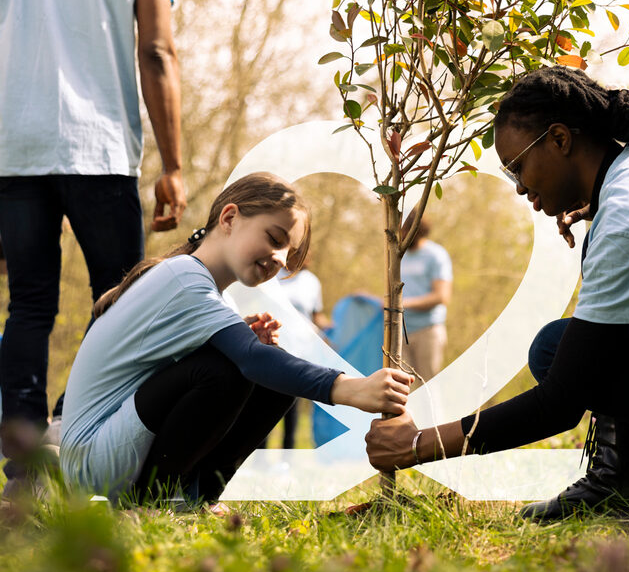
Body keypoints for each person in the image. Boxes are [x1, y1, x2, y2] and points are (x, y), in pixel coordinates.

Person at [365, 66, 629, 520]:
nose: (519, 188)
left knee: (557, 351)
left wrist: (417, 445)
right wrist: (602, 213)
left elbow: (560, 402)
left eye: (518, 167)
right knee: (593, 340)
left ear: (559, 139)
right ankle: (620, 478)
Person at [59, 173, 412, 503]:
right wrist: (350, 388)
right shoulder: (185, 277)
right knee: (232, 368)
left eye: (288, 255)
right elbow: (249, 359)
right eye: (275, 239)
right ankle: (152, 500)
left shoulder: (208, 291)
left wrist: (239, 342)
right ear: (229, 218)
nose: (279, 259)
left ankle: (197, 496)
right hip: (92, 464)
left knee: (271, 378)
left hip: (114, 452)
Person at [0, 0, 186, 485]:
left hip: (13, 148)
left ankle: (26, 464)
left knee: (29, 306)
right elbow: (156, 51)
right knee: (119, 302)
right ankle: (70, 431)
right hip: (98, 148)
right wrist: (173, 163)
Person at [274, 264, 331, 448]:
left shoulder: (312, 281)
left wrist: (333, 331)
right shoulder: (273, 275)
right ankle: (260, 459)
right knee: (265, 400)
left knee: (292, 405)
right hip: (274, 345)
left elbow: (316, 316)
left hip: (301, 349)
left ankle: (287, 455)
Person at [400, 213, 453, 384]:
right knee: (400, 389)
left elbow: (441, 296)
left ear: (415, 229)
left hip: (428, 331)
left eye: (403, 229)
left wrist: (404, 304)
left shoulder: (436, 255)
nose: (399, 233)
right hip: (401, 331)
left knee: (428, 387)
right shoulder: (398, 255)